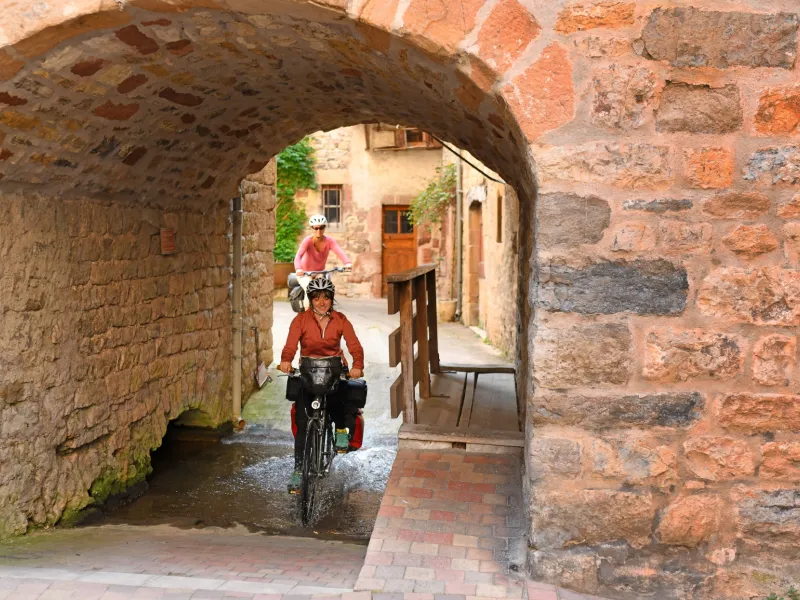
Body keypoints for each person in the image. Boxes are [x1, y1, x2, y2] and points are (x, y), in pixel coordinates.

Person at [277, 277, 364, 494]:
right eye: (317, 298)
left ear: (331, 299)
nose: (322, 302)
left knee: (340, 392)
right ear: (311, 299)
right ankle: (298, 471)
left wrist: (357, 365)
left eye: (326, 297)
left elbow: (354, 345)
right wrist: (286, 361)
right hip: (308, 369)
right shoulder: (301, 320)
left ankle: (341, 429)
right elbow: (290, 345)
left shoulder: (340, 319)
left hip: (333, 367)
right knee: (302, 420)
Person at [293, 215, 352, 293]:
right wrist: (298, 269)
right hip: (305, 273)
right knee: (310, 291)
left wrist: (347, 263)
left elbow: (339, 252)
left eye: (321, 228)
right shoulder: (307, 241)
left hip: (319, 273)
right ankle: (307, 305)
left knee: (325, 290)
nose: (319, 231)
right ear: (312, 228)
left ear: (324, 227)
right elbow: (298, 256)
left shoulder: (329, 241)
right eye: (316, 228)